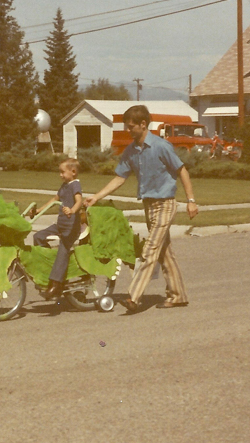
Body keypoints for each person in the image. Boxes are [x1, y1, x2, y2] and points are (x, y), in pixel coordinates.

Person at [84, 104, 199, 313]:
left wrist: (191, 200)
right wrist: (96, 197)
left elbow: (182, 171)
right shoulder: (131, 151)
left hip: (165, 203)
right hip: (149, 204)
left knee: (149, 250)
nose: (128, 131)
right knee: (164, 252)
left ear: (143, 124)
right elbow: (120, 177)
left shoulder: (161, 146)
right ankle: (178, 294)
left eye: (131, 127)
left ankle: (134, 297)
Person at [33, 158, 83, 299]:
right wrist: (39, 210)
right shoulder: (64, 185)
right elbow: (54, 199)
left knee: (63, 248)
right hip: (60, 225)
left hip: (71, 227)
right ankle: (50, 265)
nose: (60, 175)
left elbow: (79, 201)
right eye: (59, 172)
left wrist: (72, 210)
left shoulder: (75, 185)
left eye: (62, 172)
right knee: (38, 237)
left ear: (73, 172)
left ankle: (56, 284)